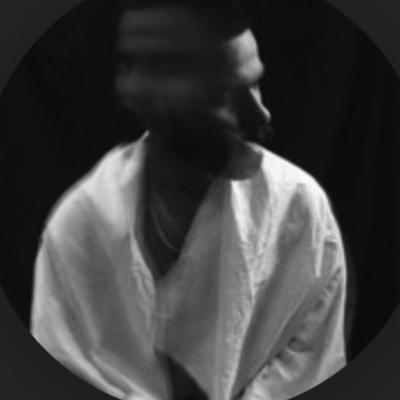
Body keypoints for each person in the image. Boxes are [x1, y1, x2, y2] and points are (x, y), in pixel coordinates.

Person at [30, 1, 347, 399]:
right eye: (225, 96)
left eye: (255, 85)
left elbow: (312, 366)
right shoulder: (82, 224)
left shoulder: (299, 210)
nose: (261, 115)